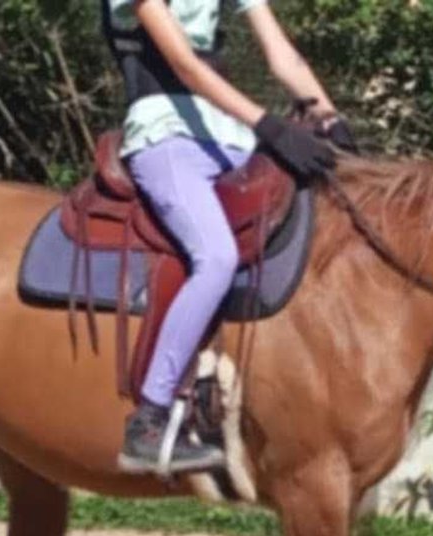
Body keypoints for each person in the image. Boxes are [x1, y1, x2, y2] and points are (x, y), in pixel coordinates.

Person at [105, 0, 354, 474]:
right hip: (165, 136)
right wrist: (272, 126)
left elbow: (284, 58)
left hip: (230, 137)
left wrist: (330, 119)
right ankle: (150, 420)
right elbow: (185, 65)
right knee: (215, 256)